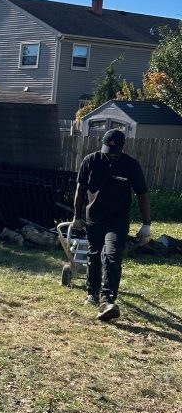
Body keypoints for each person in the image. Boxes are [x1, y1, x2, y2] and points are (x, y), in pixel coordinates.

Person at [72, 129, 151, 322]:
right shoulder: (91, 161)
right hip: (95, 216)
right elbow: (80, 189)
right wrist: (77, 216)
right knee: (94, 253)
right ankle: (92, 292)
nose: (111, 156)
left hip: (118, 218)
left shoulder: (131, 166)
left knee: (112, 255)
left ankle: (108, 299)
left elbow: (142, 194)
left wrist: (146, 224)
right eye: (108, 151)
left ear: (122, 149)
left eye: (115, 153)